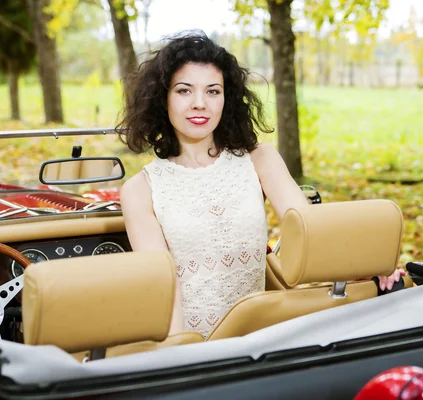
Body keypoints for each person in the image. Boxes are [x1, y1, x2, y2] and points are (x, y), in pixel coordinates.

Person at [117, 32, 404, 338]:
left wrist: (365, 264)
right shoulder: (139, 191)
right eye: (184, 91)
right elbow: (165, 292)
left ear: (226, 99)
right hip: (191, 347)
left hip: (261, 339)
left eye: (213, 91)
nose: (200, 104)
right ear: (163, 99)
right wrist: (182, 364)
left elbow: (313, 232)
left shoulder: (260, 160)